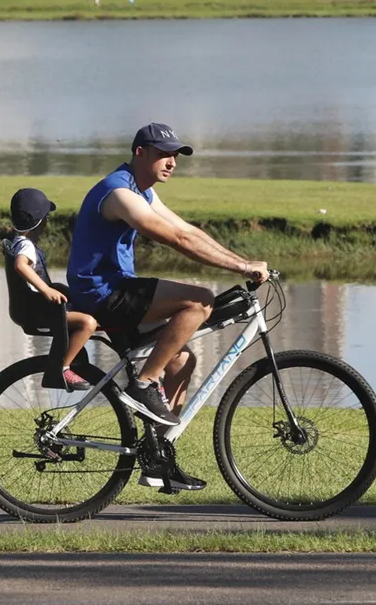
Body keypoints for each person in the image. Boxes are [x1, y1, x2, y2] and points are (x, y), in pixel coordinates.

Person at [67, 122, 269, 491]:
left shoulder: (141, 190)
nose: (172, 162)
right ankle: (144, 383)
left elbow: (187, 229)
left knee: (182, 361)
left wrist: (244, 260)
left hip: (115, 289)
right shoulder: (118, 193)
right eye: (164, 154)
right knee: (200, 301)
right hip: (102, 293)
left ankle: (157, 460)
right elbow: (175, 239)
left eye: (176, 155)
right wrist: (240, 268)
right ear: (140, 153)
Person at [9, 188, 99, 391]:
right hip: (40, 310)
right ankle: (61, 369)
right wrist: (46, 291)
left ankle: (72, 361)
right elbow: (20, 266)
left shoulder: (16, 242)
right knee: (87, 323)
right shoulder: (26, 247)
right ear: (42, 223)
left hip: (33, 307)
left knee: (80, 313)